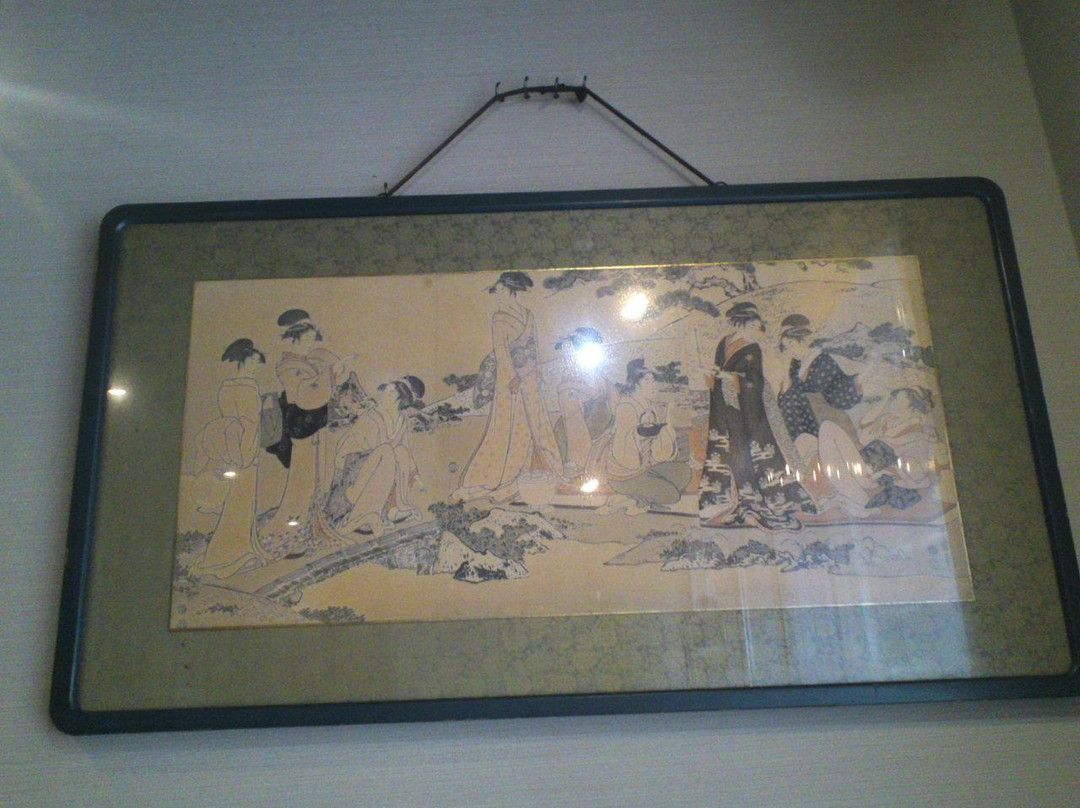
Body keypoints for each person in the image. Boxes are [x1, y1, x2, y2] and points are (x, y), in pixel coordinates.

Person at [698, 304, 815, 530]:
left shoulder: (753, 348)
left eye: (757, 326)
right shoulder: (724, 342)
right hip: (726, 407)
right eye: (752, 325)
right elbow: (718, 373)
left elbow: (755, 381)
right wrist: (711, 375)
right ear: (740, 323)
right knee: (730, 454)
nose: (756, 330)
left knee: (756, 453)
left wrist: (730, 378)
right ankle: (738, 504)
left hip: (751, 408)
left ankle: (770, 505)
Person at [452, 272, 563, 503]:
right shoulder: (499, 318)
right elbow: (500, 350)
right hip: (509, 382)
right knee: (508, 427)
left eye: (502, 291)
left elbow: (534, 347)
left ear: (512, 290)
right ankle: (501, 476)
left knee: (535, 423)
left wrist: (536, 371)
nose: (499, 295)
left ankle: (536, 469)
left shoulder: (528, 315)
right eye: (497, 292)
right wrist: (512, 376)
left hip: (530, 378)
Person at [776, 314, 880, 517]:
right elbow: (791, 402)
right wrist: (785, 390)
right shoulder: (796, 366)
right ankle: (834, 499)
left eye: (791, 344)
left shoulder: (822, 360)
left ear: (802, 339)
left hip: (831, 421)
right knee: (802, 450)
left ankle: (860, 501)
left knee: (830, 444)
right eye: (785, 347)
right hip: (807, 425)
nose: (788, 350)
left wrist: (856, 382)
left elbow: (839, 393)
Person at [261, 309, 341, 546]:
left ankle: (313, 524)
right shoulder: (289, 365)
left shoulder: (305, 363)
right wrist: (329, 373)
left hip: (312, 426)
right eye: (307, 338)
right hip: (301, 425)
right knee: (302, 478)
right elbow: (305, 396)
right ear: (295, 338)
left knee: (315, 476)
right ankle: (290, 532)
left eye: (312, 339)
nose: (310, 344)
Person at [193, 338, 268, 577]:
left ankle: (242, 549)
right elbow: (250, 422)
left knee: (240, 499)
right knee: (240, 500)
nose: (256, 366)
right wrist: (247, 453)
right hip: (243, 445)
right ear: (242, 361)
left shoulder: (227, 387)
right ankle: (229, 557)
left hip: (232, 443)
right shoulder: (247, 388)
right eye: (253, 361)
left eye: (257, 363)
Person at [322, 375, 426, 539]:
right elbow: (346, 456)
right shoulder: (371, 417)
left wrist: (418, 479)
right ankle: (358, 515)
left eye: (389, 392)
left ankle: (395, 507)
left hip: (380, 473)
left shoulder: (402, 421)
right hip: (353, 476)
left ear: (401, 397)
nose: (383, 395)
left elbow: (406, 451)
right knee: (386, 450)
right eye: (385, 391)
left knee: (400, 451)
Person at [588, 359, 691, 515]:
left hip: (645, 467)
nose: (653, 386)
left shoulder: (649, 406)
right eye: (648, 382)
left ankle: (634, 497)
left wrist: (668, 417)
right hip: (626, 474)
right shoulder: (626, 406)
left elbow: (659, 452)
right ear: (635, 385)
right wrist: (640, 433)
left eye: (653, 381)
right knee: (672, 495)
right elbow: (624, 444)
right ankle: (632, 501)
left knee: (684, 473)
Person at [552, 327, 614, 475]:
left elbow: (603, 392)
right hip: (576, 412)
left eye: (573, 346)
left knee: (569, 396)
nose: (567, 355)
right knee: (568, 396)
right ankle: (578, 461)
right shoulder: (569, 372)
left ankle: (581, 461)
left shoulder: (596, 372)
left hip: (597, 413)